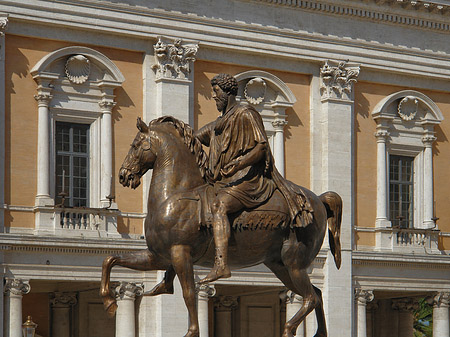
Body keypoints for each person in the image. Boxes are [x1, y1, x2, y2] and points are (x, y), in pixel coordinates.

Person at [195, 73, 313, 284]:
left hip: (249, 179)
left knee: (220, 205)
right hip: (226, 181)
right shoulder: (220, 122)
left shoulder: (245, 113)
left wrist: (239, 163)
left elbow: (261, 147)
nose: (213, 96)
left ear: (228, 92)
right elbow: (196, 137)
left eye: (216, 92)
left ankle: (221, 264)